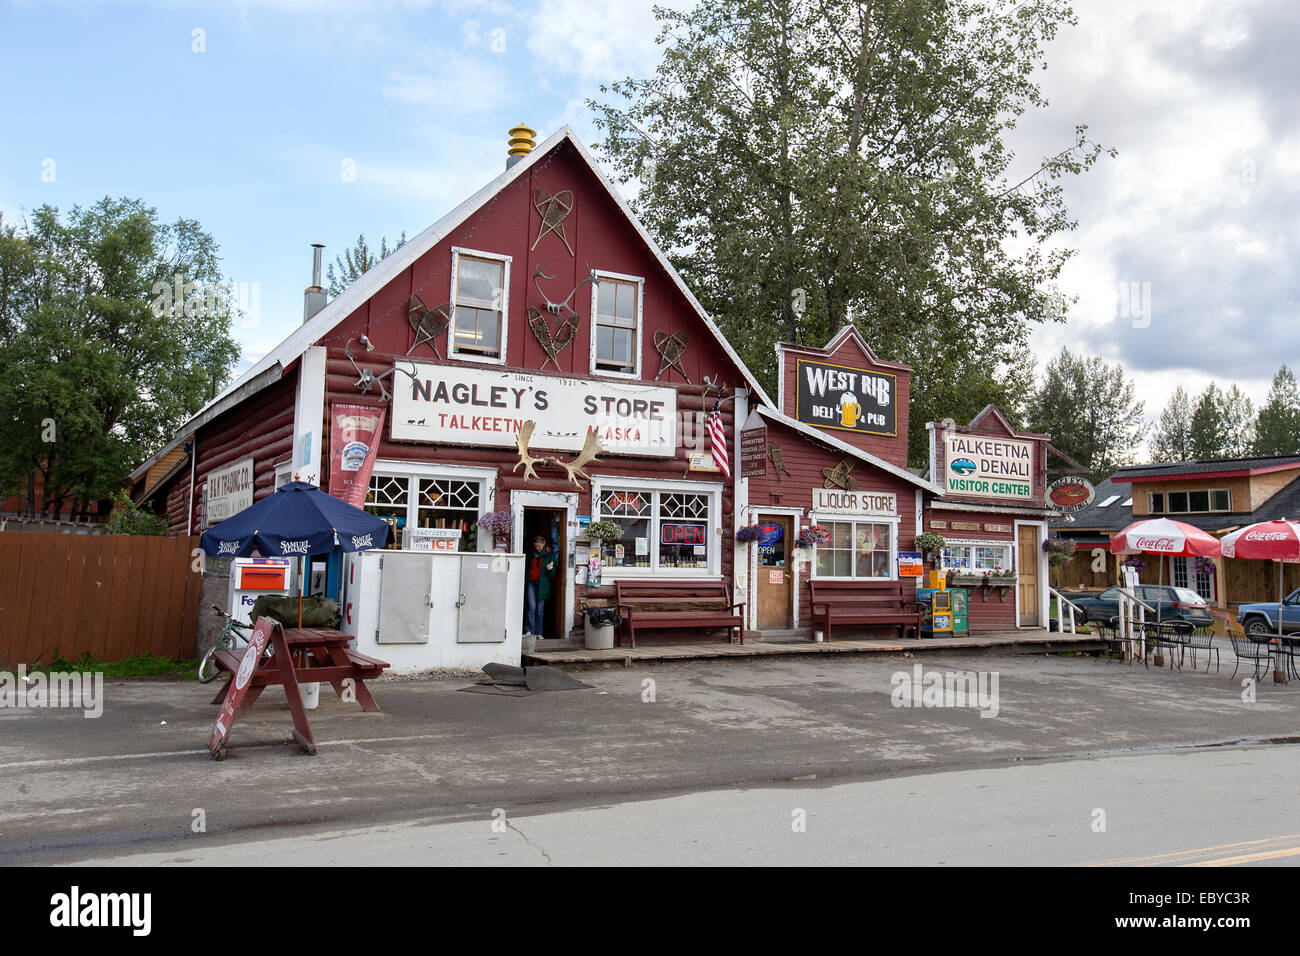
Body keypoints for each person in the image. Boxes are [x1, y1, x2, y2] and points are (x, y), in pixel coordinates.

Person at [525, 534, 557, 639]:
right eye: (536, 546)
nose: (538, 548)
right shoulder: (530, 553)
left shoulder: (549, 554)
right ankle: (530, 630)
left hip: (543, 584)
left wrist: (550, 569)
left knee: (539, 609)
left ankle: (539, 632)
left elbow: (553, 570)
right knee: (531, 606)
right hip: (531, 582)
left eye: (540, 546)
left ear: (544, 544)